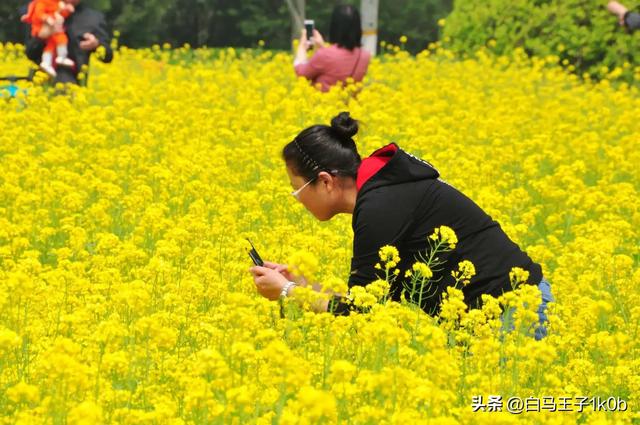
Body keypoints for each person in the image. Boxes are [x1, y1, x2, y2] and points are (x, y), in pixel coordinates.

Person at [249, 112, 554, 340]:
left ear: (326, 181)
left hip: (513, 310)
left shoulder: (380, 206)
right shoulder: (383, 188)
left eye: (297, 189)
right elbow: (371, 298)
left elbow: (363, 314)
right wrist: (304, 285)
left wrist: (288, 291)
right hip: (496, 311)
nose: (297, 200)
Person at [23, 0, 113, 85]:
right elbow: (30, 54)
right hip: (39, 85)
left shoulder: (93, 18)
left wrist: (96, 44)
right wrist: (41, 37)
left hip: (73, 85)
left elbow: (108, 56)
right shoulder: (41, 9)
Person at [294, 5, 371, 92]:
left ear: (334, 26)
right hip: (350, 104)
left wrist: (301, 46)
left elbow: (301, 74)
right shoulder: (365, 56)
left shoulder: (324, 55)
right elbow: (338, 65)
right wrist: (322, 47)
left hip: (324, 103)